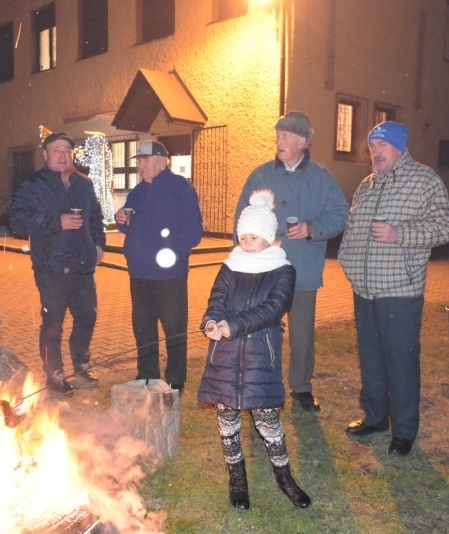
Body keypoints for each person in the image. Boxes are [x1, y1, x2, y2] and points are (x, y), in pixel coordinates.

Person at [337, 121, 449, 456]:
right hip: (365, 290)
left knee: (401, 361)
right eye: (372, 146)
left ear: (399, 147)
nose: (375, 152)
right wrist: (348, 262)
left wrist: (398, 233)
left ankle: (403, 430)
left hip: (400, 291)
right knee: (371, 358)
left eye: (382, 145)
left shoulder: (424, 180)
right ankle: (375, 417)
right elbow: (351, 229)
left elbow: (445, 227)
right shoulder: (367, 185)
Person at [198, 190, 311, 511]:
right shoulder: (230, 265)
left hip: (261, 355)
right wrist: (211, 322)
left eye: (253, 236)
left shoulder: (282, 269)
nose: (246, 241)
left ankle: (284, 477)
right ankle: (237, 480)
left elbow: (274, 308)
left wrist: (231, 325)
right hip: (225, 355)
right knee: (228, 419)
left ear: (267, 236)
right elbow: (216, 300)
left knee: (268, 421)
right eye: (242, 235)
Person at [234, 111, 349, 413]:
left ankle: (301, 387)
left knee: (301, 332)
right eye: (278, 135)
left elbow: (340, 214)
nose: (279, 140)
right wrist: (244, 255)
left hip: (303, 268)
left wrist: (313, 228)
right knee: (258, 329)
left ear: (302, 141)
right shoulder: (260, 176)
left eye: (285, 136)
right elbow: (241, 218)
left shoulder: (321, 178)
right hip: (263, 269)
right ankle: (257, 384)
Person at [10, 132, 106, 394]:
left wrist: (98, 244)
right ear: (45, 155)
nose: (63, 156)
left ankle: (81, 365)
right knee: (53, 323)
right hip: (51, 267)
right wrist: (56, 222)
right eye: (56, 150)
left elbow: (95, 217)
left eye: (67, 151)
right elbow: (17, 218)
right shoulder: (32, 184)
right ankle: (54, 373)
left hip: (82, 265)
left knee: (87, 316)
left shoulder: (83, 184)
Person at [114, 141, 203, 393]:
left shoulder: (179, 187)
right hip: (139, 272)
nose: (141, 165)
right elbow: (128, 223)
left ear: (162, 160)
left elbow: (194, 229)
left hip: (168, 274)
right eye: (139, 161)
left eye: (145, 160)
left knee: (173, 327)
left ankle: (176, 379)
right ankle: (147, 374)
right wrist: (121, 219)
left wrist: (174, 254)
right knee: (143, 326)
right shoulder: (137, 192)